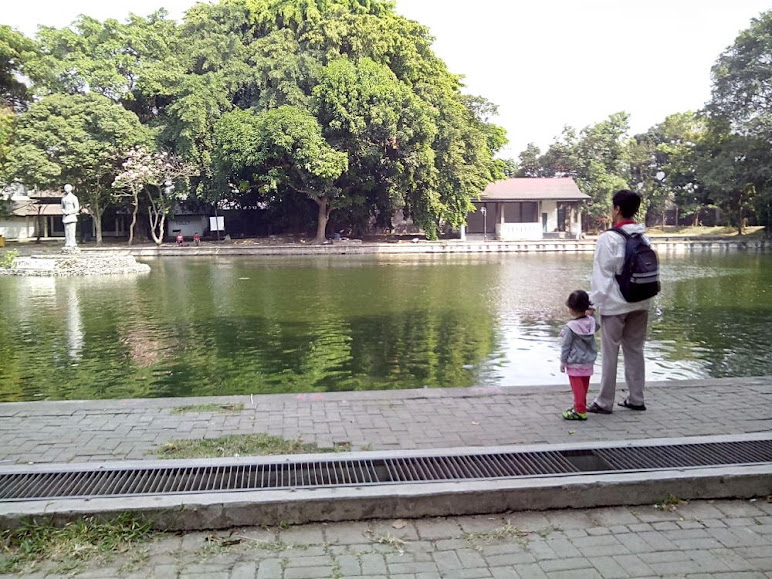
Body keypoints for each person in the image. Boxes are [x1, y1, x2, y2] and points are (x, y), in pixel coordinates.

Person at [587, 189, 651, 414]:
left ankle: (605, 402)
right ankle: (636, 398)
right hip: (641, 302)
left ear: (616, 209)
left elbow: (601, 276)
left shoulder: (609, 238)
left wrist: (593, 304)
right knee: (635, 350)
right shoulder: (643, 236)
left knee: (610, 353)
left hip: (615, 304)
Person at [559, 290, 598, 421]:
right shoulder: (591, 322)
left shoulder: (571, 327)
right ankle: (578, 405)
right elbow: (596, 325)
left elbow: (566, 346)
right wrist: (593, 314)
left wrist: (563, 362)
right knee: (584, 385)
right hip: (588, 360)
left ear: (571, 309)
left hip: (575, 361)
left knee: (577, 387)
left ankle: (580, 410)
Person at [60, 184, 80, 249]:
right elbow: (62, 207)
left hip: (72, 217)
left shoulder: (74, 198)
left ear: (71, 189)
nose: (67, 189)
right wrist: (64, 211)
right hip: (65, 217)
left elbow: (77, 208)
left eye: (68, 188)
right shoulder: (63, 199)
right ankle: (67, 243)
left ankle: (72, 243)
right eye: (65, 188)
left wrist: (69, 212)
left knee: (72, 231)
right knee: (67, 231)